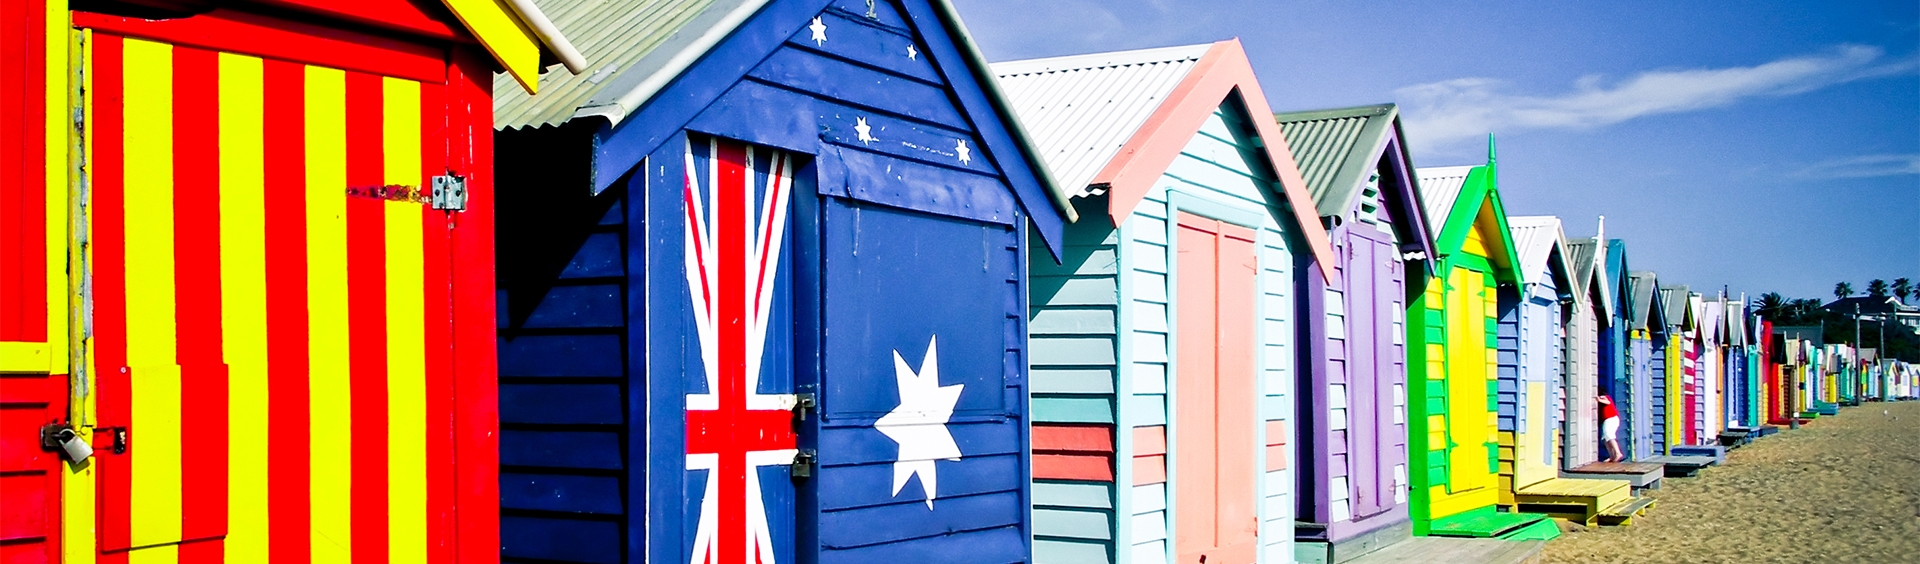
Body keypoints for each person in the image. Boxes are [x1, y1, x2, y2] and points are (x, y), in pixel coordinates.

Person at [1599, 395, 1624, 462]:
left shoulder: (1604, 397)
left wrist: (1598, 399)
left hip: (1611, 419)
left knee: (1609, 435)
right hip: (1606, 420)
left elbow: (1608, 402)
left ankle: (1618, 453)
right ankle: (1612, 456)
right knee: (1605, 438)